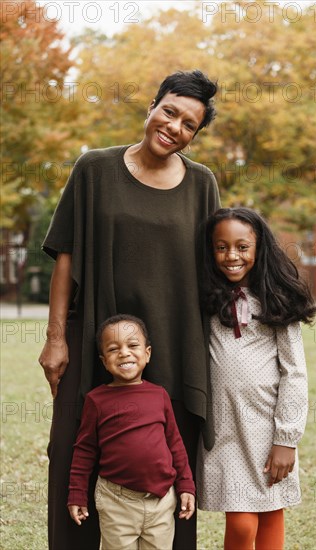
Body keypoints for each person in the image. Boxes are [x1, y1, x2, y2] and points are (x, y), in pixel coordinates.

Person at [38, 69, 220, 550]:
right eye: (170, 111)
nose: (174, 126)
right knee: (72, 451)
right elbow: (66, 257)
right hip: (94, 337)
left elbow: (216, 270)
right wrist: (56, 339)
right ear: (152, 106)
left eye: (188, 124)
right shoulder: (94, 170)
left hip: (174, 345)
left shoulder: (203, 185)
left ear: (193, 135)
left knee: (167, 460)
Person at [196, 207, 316, 549]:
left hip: (266, 428)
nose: (231, 256)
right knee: (241, 522)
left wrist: (287, 438)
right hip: (223, 430)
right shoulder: (206, 300)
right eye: (221, 247)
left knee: (270, 512)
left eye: (241, 247)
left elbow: (294, 372)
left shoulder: (277, 302)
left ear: (259, 248)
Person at [68, 314, 195, 549]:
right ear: (104, 361)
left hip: (161, 501)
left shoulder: (159, 395)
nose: (124, 353)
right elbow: (84, 450)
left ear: (147, 353)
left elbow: (175, 443)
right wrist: (76, 494)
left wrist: (186, 485)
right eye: (114, 349)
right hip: (117, 501)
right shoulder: (96, 400)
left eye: (133, 345)